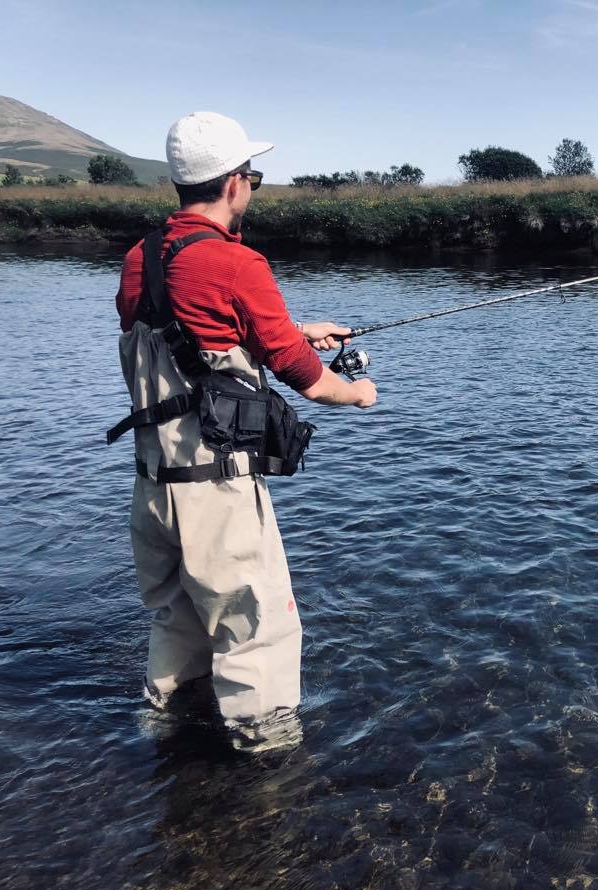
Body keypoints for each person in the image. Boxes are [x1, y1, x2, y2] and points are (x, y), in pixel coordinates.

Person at [113, 111, 376, 752]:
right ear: (233, 183)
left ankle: (161, 737)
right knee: (257, 631)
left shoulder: (140, 259)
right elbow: (308, 380)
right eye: (252, 175)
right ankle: (268, 773)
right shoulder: (237, 263)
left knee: (177, 619)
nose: (253, 186)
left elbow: (194, 336)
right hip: (218, 494)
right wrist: (356, 393)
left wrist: (291, 330)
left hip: (154, 492)